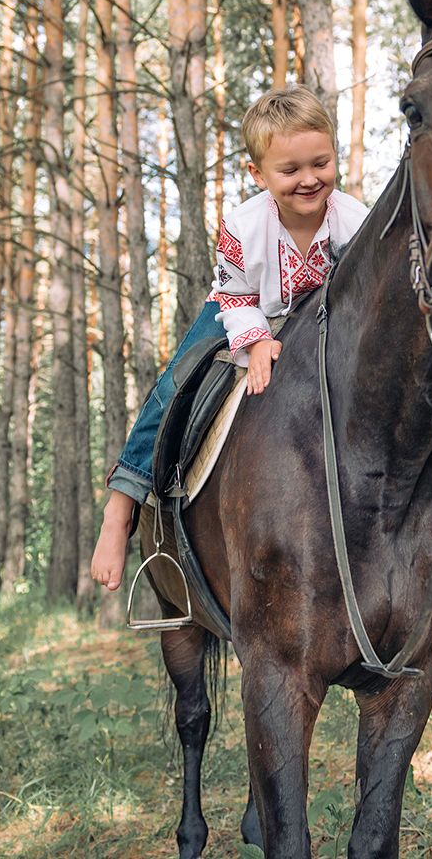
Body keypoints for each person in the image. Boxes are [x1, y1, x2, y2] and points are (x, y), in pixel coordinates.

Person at [90, 85, 369, 591]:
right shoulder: (242, 225)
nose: (309, 180)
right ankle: (124, 500)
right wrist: (257, 340)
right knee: (178, 381)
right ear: (258, 175)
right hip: (239, 310)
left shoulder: (354, 220)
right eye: (290, 171)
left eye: (320, 164)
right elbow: (236, 294)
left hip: (319, 322)